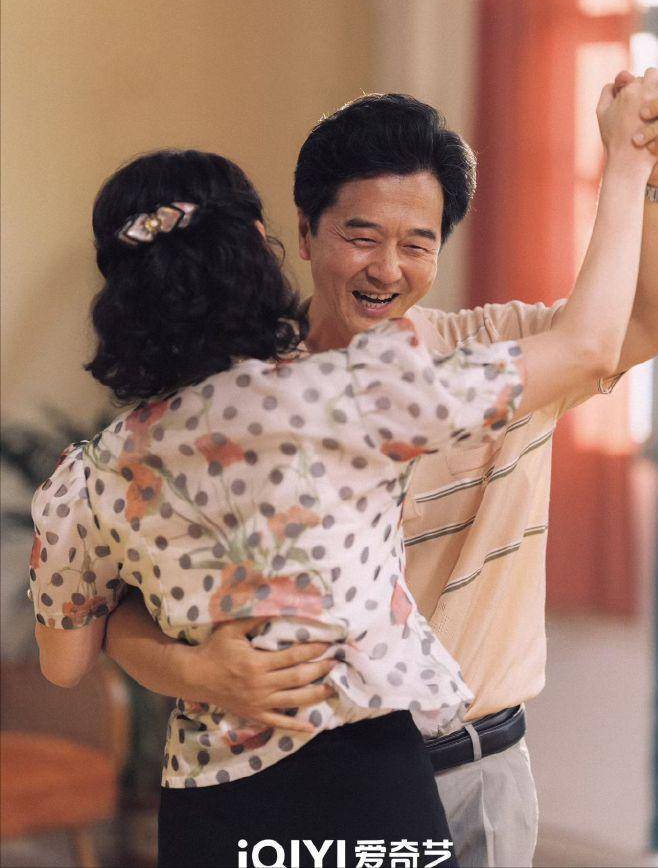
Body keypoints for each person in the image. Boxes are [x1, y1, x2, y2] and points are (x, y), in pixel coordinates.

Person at [33, 75, 656, 867]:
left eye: (417, 243)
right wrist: (625, 159)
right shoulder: (355, 394)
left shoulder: (87, 476)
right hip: (374, 781)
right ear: (287, 236)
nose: (388, 269)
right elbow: (590, 346)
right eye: (363, 236)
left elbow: (69, 651)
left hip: (254, 798)